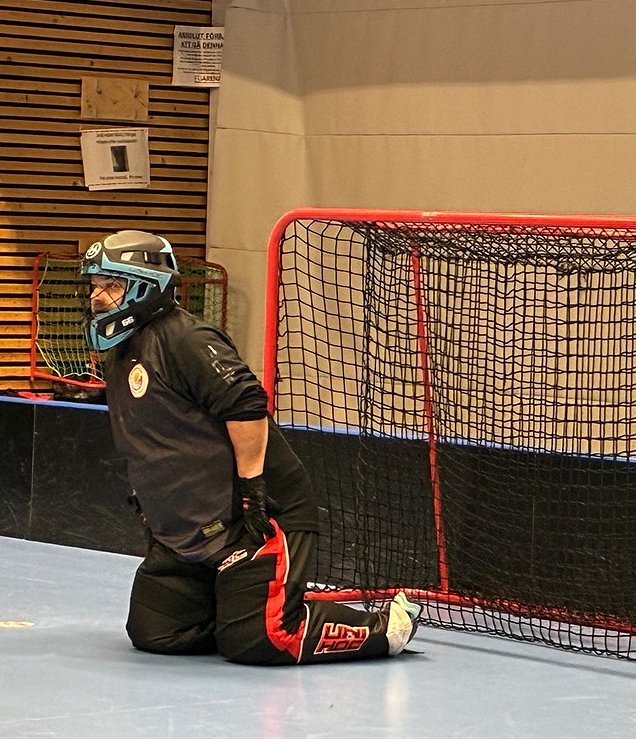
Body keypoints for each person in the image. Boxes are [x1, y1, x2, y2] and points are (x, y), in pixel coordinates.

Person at [81, 229, 421, 665]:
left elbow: (245, 403)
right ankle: (243, 610)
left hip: (255, 519)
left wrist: (253, 488)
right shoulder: (122, 350)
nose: (97, 297)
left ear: (145, 286)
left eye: (111, 285)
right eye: (95, 285)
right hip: (190, 535)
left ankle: (387, 626)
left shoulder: (185, 339)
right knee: (158, 632)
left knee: (264, 640)